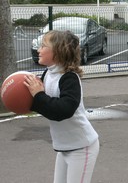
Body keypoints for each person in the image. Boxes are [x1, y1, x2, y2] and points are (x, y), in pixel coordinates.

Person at [23, 30, 99, 183]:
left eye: (43, 46)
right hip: (64, 147)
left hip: (82, 147)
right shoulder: (48, 74)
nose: (38, 49)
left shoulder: (70, 78)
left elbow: (63, 110)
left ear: (58, 52)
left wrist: (38, 96)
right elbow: (44, 104)